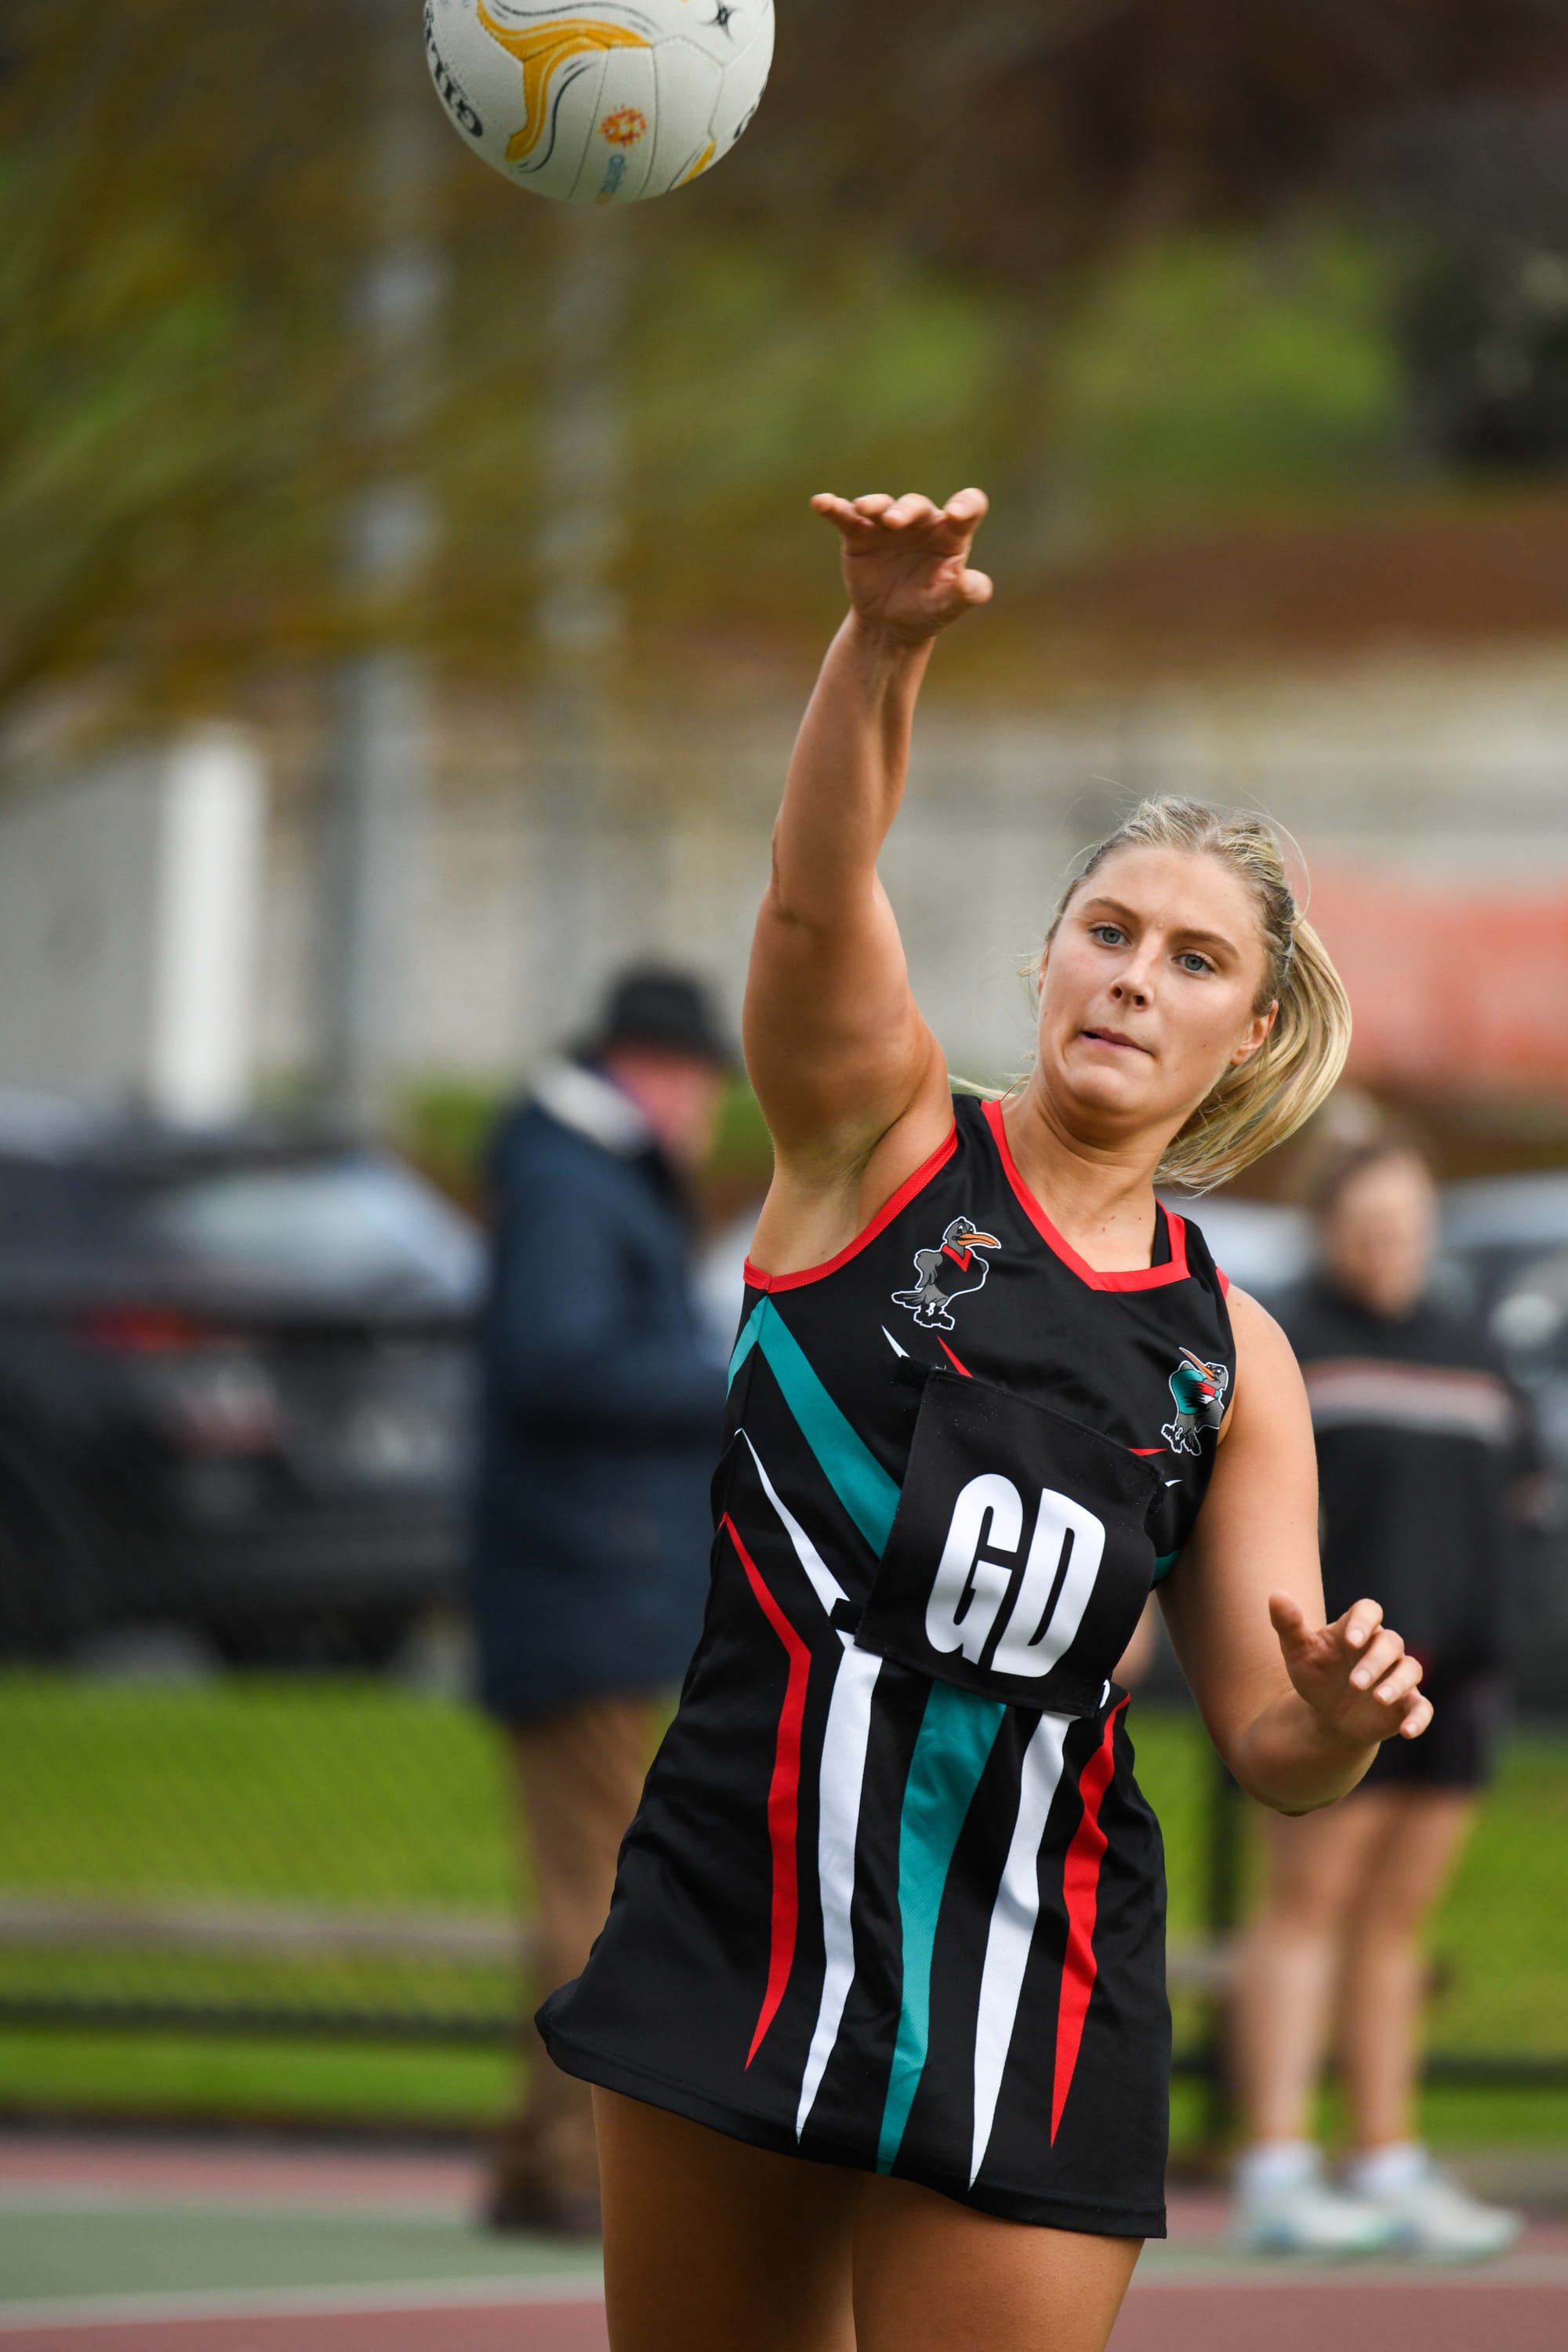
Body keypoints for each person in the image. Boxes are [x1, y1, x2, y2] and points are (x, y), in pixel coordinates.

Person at [537, 488, 1434, 2352]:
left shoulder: (1228, 1353)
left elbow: (1271, 1742)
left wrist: (1337, 1720)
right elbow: (810, 893)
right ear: (1046, 953)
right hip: (746, 1901)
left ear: (1247, 1039)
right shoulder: (880, 1143)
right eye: (1109, 929)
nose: (1134, 975)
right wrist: (882, 643)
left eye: (1195, 961)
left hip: (1037, 1959)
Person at [1230, 1139, 1530, 2259]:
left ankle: (1387, 2156)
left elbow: (1514, 1506)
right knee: (1305, 1909)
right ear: (1329, 1227)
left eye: (1407, 1223)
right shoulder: (1292, 1345)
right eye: (1367, 1224)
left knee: (1397, 1924)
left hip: (1459, 1687)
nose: (1388, 1245)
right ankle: (1273, 2164)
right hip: (1343, 1687)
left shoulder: (1474, 1353)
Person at [470, 966, 732, 2235]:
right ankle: (574, 2164)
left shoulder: (570, 1174)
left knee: (585, 1875)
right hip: (589, 1579)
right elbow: (560, 1361)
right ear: (647, 1071)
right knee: (597, 1888)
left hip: (589, 1575)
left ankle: (538, 2156)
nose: (707, 1111)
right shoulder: (577, 1183)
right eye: (696, 1082)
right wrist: (721, 1372)